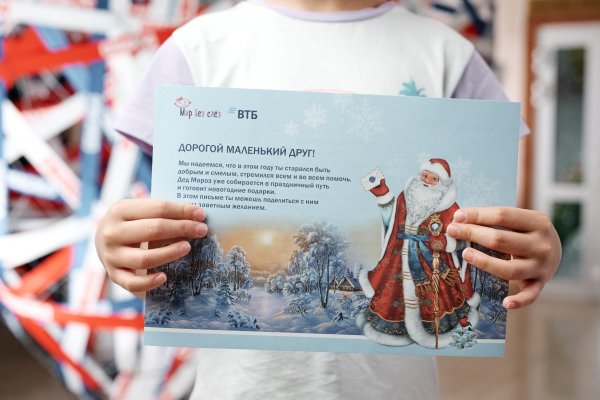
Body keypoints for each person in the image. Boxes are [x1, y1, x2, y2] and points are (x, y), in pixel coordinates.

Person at [96, 1, 562, 399]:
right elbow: (154, 222)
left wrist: (535, 252)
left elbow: (492, 228)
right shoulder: (198, 49)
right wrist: (119, 246)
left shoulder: (448, 56)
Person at [358, 159, 479, 349]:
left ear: (442, 183)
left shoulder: (450, 207)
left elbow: (463, 237)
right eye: (425, 176)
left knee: (437, 298)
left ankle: (439, 331)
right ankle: (396, 331)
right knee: (393, 295)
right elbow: (392, 221)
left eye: (433, 178)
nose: (427, 181)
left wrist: (445, 242)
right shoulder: (406, 196)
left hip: (433, 263)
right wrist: (384, 197)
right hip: (398, 258)